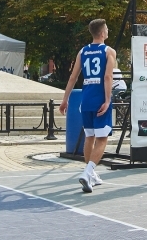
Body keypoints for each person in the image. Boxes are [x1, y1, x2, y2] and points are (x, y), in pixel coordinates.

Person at [60, 19, 116, 193]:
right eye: (106, 28)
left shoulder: (82, 51)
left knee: (89, 136)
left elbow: (73, 77)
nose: (108, 30)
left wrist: (65, 99)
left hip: (85, 99)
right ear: (102, 33)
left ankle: (91, 174)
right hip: (100, 99)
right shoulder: (109, 51)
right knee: (102, 138)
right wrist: (107, 100)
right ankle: (88, 171)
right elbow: (108, 77)